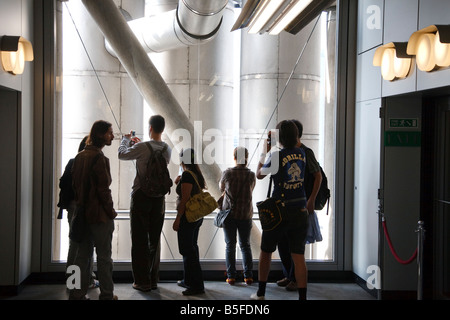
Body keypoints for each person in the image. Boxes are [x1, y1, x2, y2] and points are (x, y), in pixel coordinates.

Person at [252, 120, 309, 300]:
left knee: (266, 251)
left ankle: (261, 293)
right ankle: (302, 297)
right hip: (300, 210)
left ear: (279, 137)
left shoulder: (277, 156)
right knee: (299, 256)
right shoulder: (302, 153)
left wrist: (265, 151)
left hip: (280, 211)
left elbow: (259, 175)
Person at [118, 115, 172, 292]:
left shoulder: (142, 147)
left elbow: (122, 154)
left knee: (140, 238)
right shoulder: (167, 149)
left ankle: (141, 281)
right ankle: (153, 278)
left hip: (141, 195)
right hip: (158, 198)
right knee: (154, 239)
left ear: (150, 128)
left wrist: (126, 140)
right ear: (162, 129)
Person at [69, 120, 118, 300]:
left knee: (81, 258)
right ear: (100, 134)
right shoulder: (100, 159)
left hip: (81, 214)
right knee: (104, 258)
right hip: (99, 216)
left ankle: (76, 293)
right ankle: (107, 294)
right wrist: (111, 212)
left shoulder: (79, 157)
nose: (112, 136)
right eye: (109, 133)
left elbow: (75, 185)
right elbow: (103, 191)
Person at [277, 119, 323, 291]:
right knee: (283, 242)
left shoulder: (305, 152)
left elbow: (317, 176)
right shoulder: (283, 152)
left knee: (295, 246)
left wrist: (311, 200)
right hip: (285, 206)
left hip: (300, 205)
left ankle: (296, 279)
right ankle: (289, 276)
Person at [57, 136, 99, 289]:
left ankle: (73, 281)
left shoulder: (72, 161)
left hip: (72, 206)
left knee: (74, 244)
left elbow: (63, 183)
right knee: (87, 245)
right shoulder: (91, 162)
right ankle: (86, 280)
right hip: (86, 207)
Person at [219, 146, 256, 285]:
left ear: (234, 157)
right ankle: (248, 276)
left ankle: (231, 276)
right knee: (245, 245)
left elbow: (221, 188)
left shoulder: (228, 173)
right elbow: (251, 189)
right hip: (245, 214)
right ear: (246, 157)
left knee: (230, 245)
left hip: (229, 215)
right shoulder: (251, 175)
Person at [172, 148, 205, 296]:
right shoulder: (196, 173)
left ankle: (196, 285)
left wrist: (178, 218)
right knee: (192, 247)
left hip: (187, 217)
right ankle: (189, 280)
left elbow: (184, 199)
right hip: (196, 217)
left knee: (187, 250)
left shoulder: (187, 175)